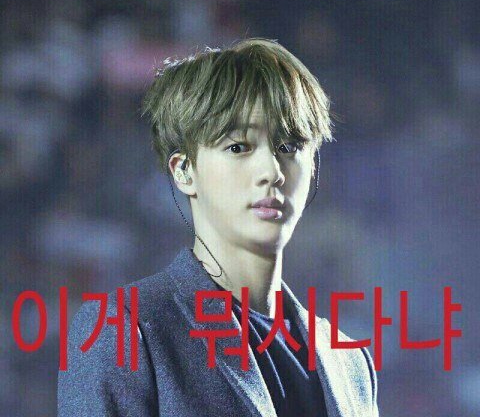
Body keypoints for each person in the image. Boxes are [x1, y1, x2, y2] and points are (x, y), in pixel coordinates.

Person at [58, 38, 379, 416]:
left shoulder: (349, 362)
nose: (272, 172)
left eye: (289, 146)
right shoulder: (126, 331)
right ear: (184, 171)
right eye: (238, 147)